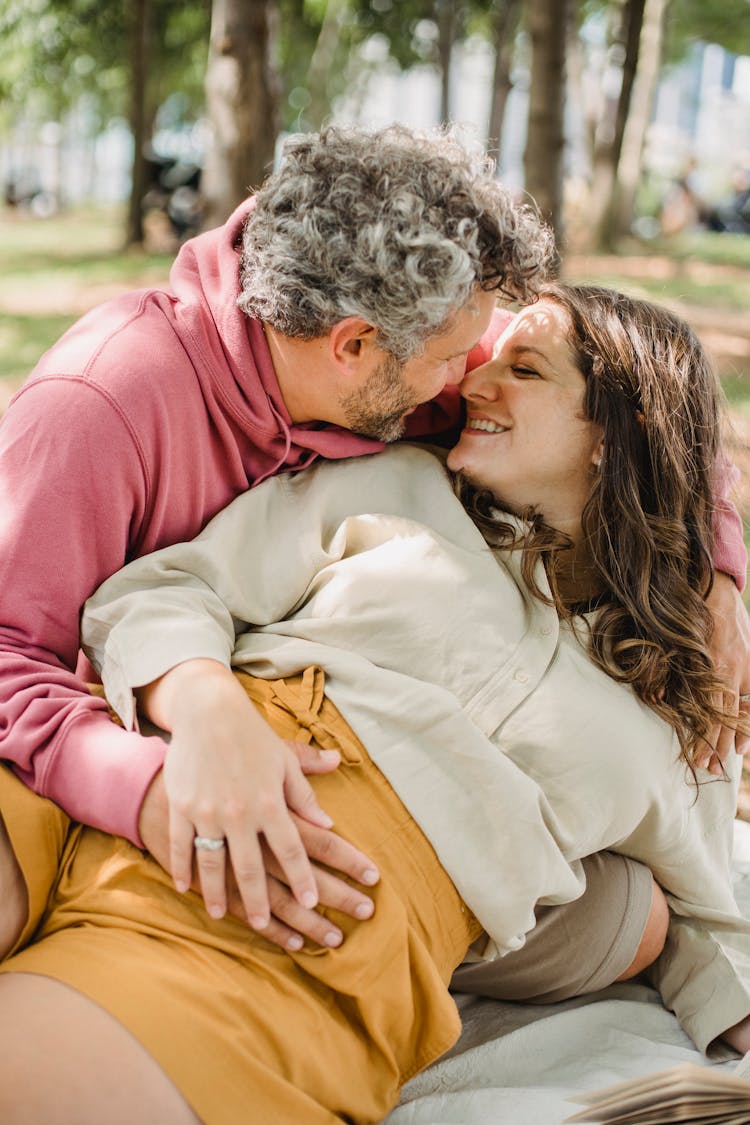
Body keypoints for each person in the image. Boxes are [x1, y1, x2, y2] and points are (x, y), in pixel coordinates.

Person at [2, 284, 749, 1125]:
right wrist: (207, 704)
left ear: (618, 434)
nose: (473, 380)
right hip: (129, 763)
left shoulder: (680, 695)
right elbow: (166, 591)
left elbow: (709, 912)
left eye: (525, 367)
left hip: (299, 908)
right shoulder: (397, 483)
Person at [0, 123, 560, 947]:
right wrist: (146, 787)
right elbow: (8, 658)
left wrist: (723, 576)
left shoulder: (407, 366)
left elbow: (622, 409)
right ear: (353, 344)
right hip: (89, 747)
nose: (468, 377)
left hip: (326, 752)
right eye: (449, 357)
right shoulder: (99, 403)